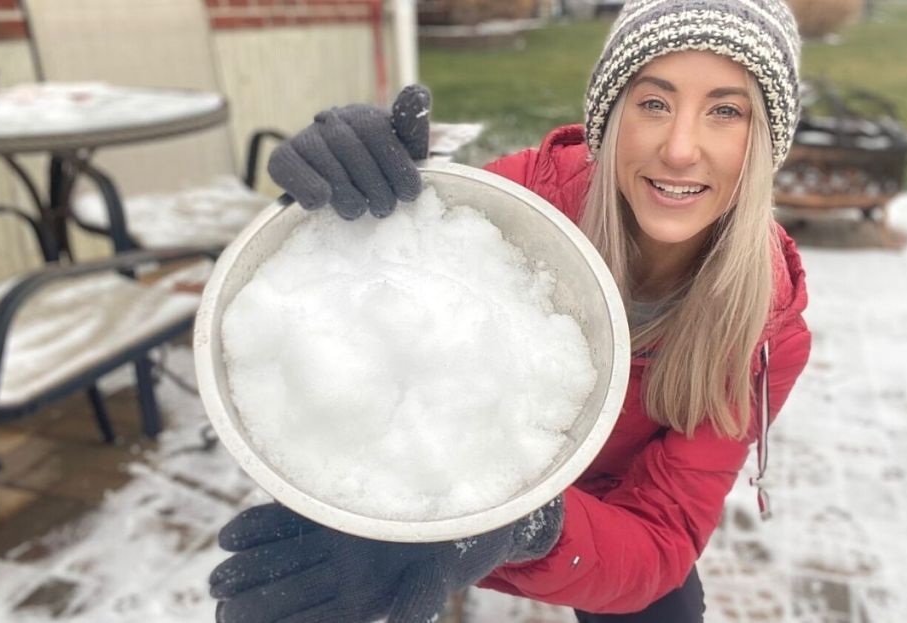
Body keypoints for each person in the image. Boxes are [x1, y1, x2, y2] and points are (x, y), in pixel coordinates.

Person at [208, 0, 811, 621]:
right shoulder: (523, 207)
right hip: (446, 465)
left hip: (592, 520)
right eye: (653, 103)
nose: (681, 149)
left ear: (765, 141)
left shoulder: (765, 326)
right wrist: (338, 195)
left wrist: (522, 523)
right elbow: (366, 302)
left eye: (725, 111)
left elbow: (661, 538)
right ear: (613, 115)